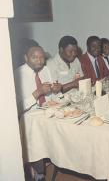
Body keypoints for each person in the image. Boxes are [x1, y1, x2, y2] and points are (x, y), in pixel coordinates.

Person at [14, 45, 62, 181]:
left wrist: (56, 90)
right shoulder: (17, 75)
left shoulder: (46, 70)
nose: (39, 61)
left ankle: (62, 161)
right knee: (35, 133)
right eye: (34, 57)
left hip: (47, 114)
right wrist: (37, 93)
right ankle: (39, 174)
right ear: (26, 58)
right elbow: (16, 109)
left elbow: (52, 98)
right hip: (28, 119)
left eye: (42, 57)